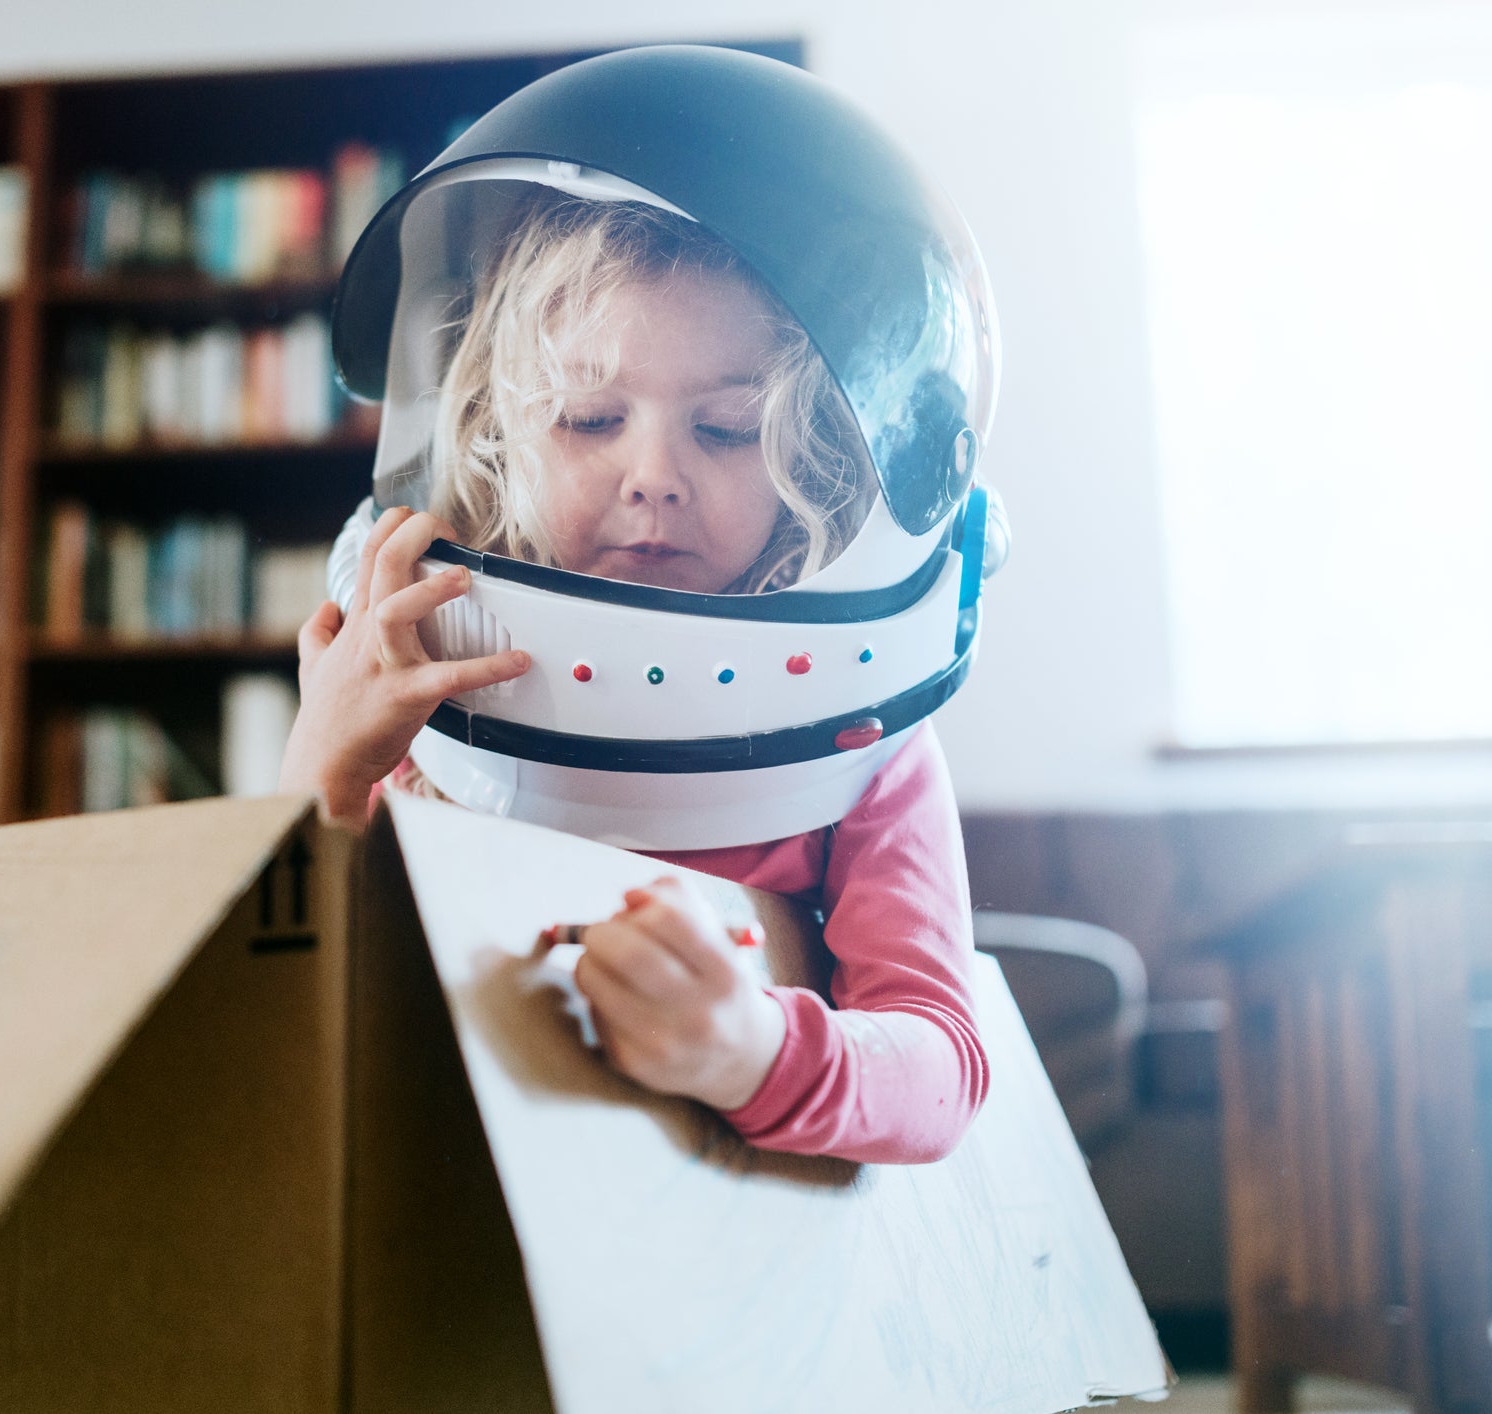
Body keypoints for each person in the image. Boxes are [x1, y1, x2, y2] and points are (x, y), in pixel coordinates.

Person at [282, 46, 1000, 1164]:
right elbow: (297, 978)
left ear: (814, 461)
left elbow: (940, 1068)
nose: (653, 476)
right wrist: (324, 766)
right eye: (587, 419)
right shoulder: (417, 673)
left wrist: (750, 1051)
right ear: (503, 433)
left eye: (725, 430)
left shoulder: (863, 742)